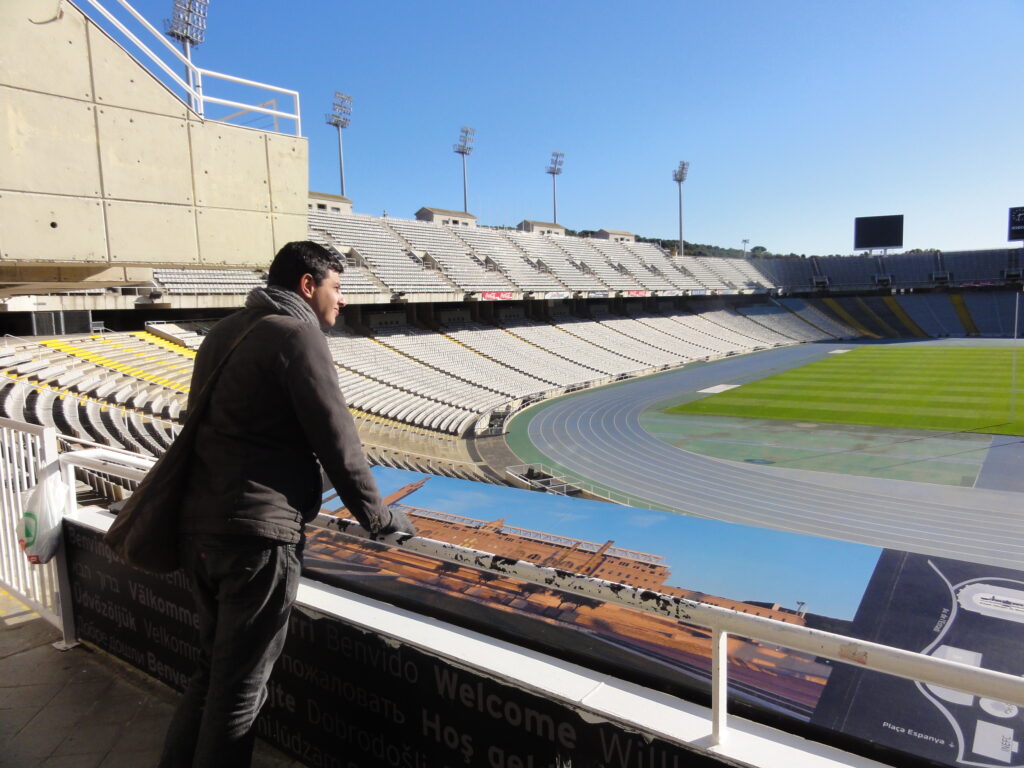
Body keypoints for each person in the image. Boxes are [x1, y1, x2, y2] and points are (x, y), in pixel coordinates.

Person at [158, 241, 415, 768]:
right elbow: (338, 441)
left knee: (210, 675)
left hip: (199, 529)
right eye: (337, 288)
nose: (341, 300)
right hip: (257, 537)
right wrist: (380, 517)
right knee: (240, 692)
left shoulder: (224, 332)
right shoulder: (297, 334)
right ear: (306, 285)